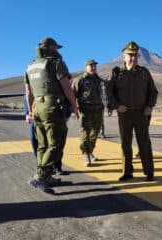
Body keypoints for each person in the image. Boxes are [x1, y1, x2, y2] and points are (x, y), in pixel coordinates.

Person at [25, 37, 78, 194]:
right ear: (50, 48)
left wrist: (30, 110)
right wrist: (74, 106)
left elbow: (28, 92)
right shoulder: (55, 63)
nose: (57, 51)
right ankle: (40, 177)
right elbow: (66, 87)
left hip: (37, 106)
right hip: (52, 107)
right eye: (56, 48)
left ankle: (46, 176)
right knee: (55, 143)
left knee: (43, 144)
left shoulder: (31, 66)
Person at [106, 41, 158, 182]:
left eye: (135, 55)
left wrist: (149, 106)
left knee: (144, 143)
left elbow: (153, 92)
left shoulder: (144, 73)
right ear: (124, 56)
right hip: (125, 114)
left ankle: (149, 172)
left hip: (141, 113)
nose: (133, 58)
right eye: (130, 55)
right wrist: (117, 106)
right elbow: (109, 92)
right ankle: (127, 172)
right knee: (125, 143)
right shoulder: (116, 73)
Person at [72, 59, 105, 167]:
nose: (93, 67)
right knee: (85, 133)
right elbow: (72, 95)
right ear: (86, 67)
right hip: (85, 110)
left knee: (95, 132)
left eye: (95, 65)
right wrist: (73, 109)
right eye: (91, 65)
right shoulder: (80, 80)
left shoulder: (99, 80)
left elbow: (103, 94)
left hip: (98, 110)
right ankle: (86, 154)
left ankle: (90, 151)